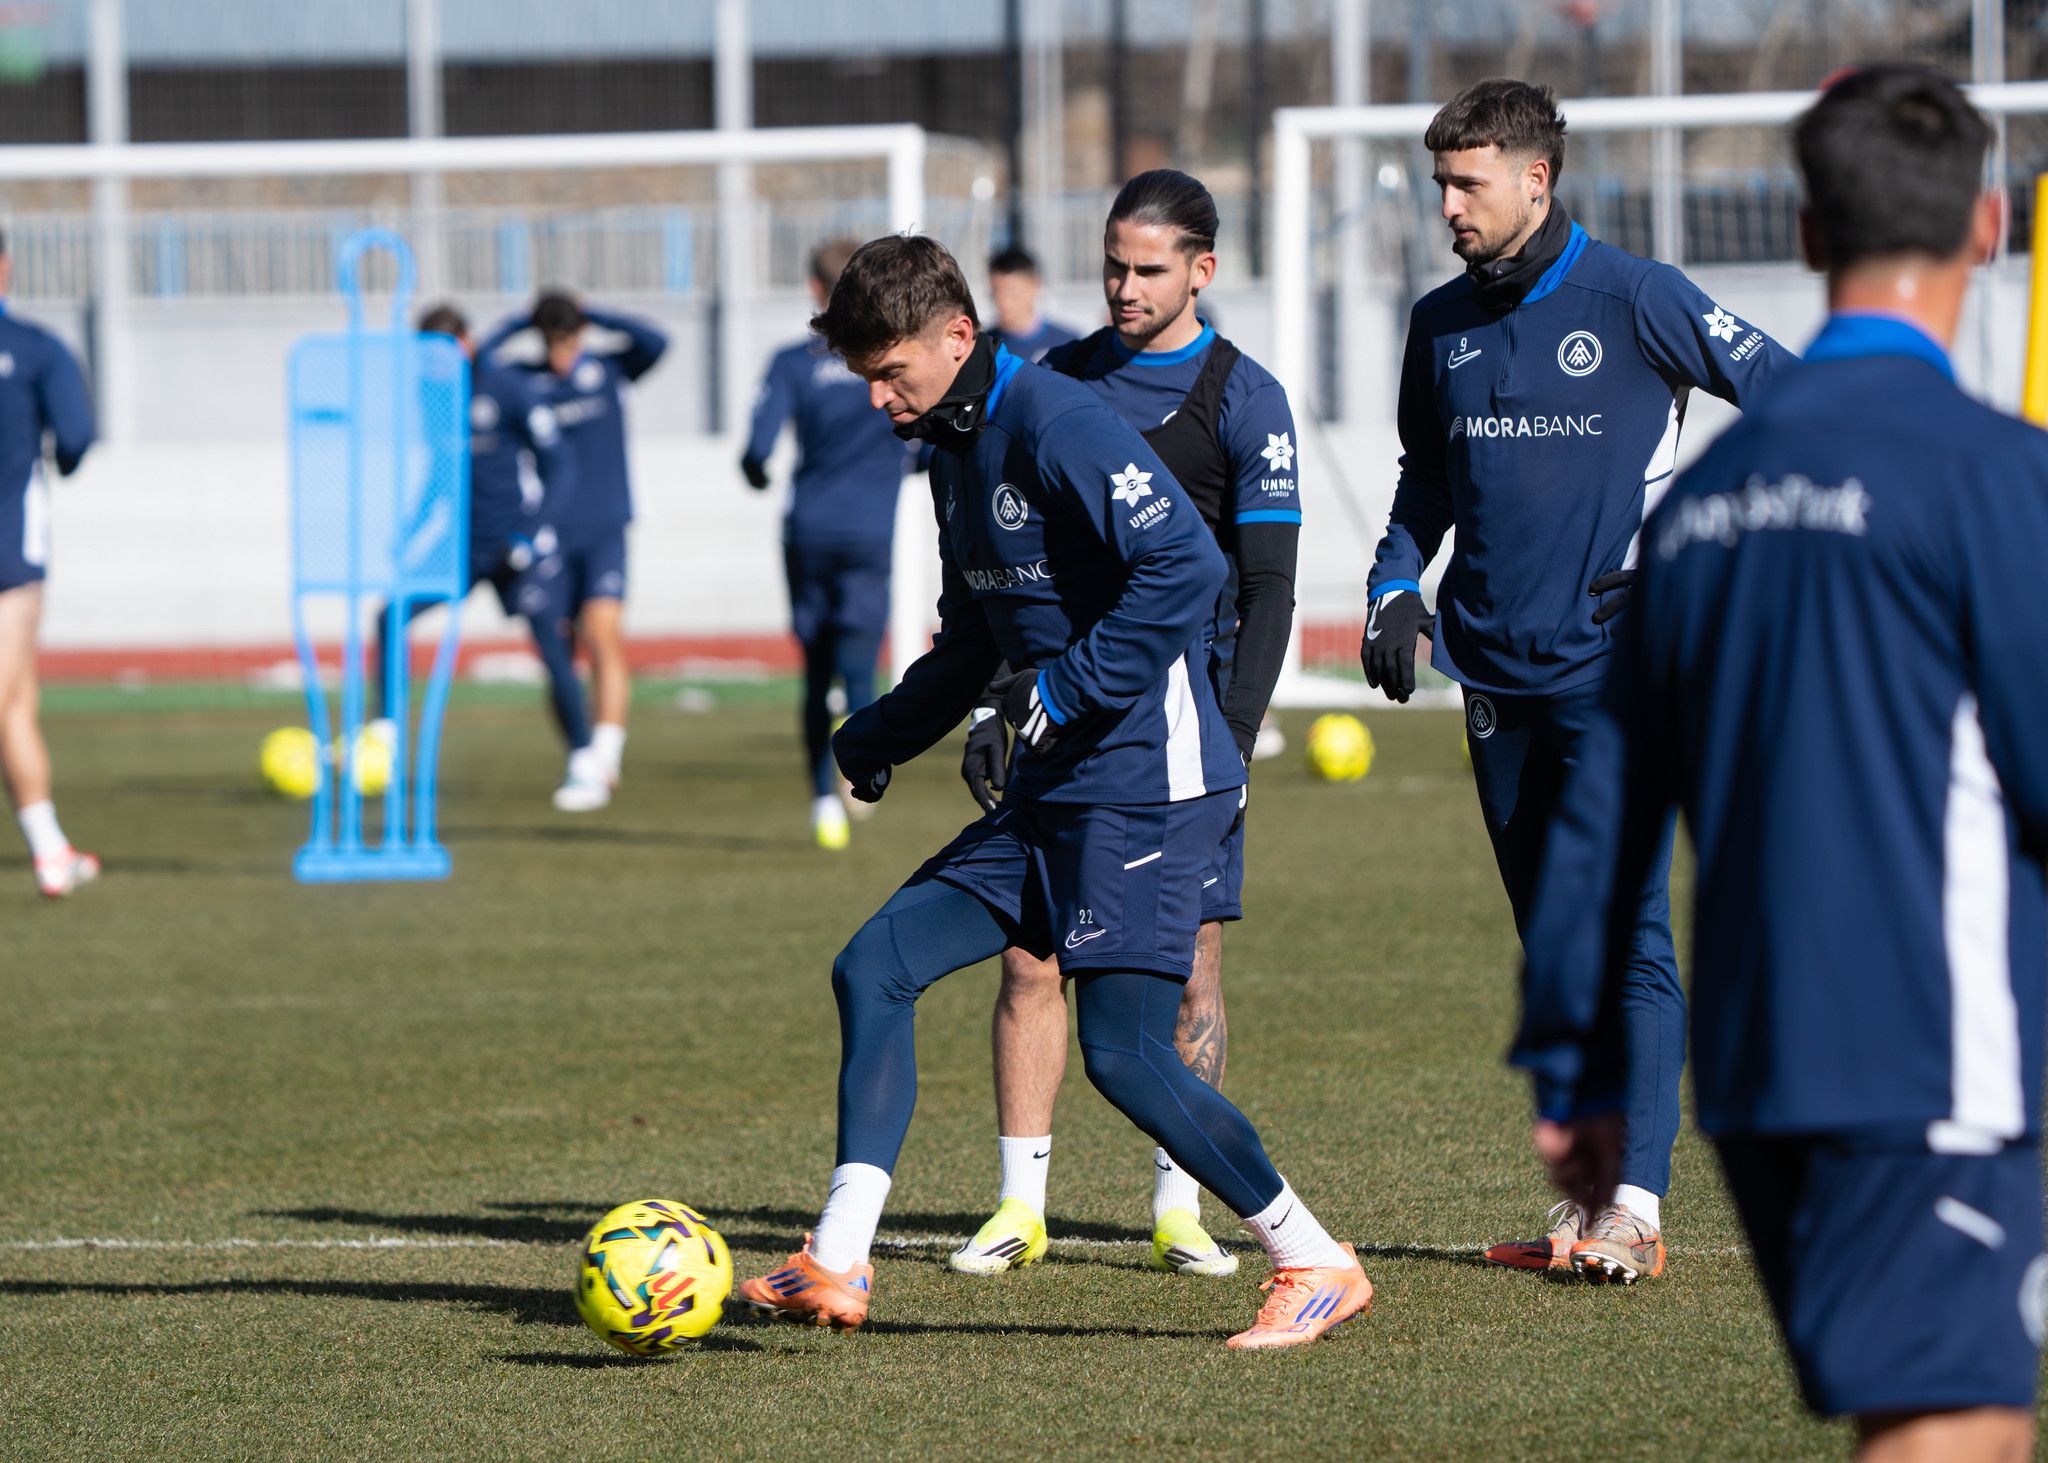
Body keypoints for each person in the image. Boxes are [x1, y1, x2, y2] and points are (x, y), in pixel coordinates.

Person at [1514, 65, 2045, 1461]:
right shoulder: (1993, 475)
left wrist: (1573, 1073)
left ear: (1807, 237)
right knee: (1946, 1416)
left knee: (1964, 1406)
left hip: (1761, 1070)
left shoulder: (1701, 509)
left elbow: (1603, 815)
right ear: (1987, 226)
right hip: (1933, 1051)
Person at [731, 234, 1369, 1350]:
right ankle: (834, 1258)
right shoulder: (949, 454)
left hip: (1144, 783)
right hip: (1052, 787)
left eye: (895, 374)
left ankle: (1311, 1257)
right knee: (873, 963)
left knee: (1122, 1051)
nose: (880, 401)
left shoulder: (1058, 420)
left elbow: (1190, 568)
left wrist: (1062, 691)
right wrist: (876, 732)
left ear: (958, 335)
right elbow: (974, 634)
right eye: (866, 380)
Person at [1359, 77, 1795, 1282]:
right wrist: (1393, 584)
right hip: (1489, 678)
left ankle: (1635, 1212)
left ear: (1534, 180)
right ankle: (1597, 1196)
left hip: (1615, 675)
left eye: (1465, 182)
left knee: (1626, 931)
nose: (1444, 203)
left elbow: (1801, 404)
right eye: (1439, 181)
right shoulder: (1437, 321)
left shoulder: (1637, 296)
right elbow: (1421, 482)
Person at [949, 170, 1301, 1280]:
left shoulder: (1243, 396)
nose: (1123, 286)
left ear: (1201, 269)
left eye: (1148, 268)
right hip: (1061, 716)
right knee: (1025, 954)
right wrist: (986, 701)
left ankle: (1179, 1201)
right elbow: (1010, 579)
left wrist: (1235, 740)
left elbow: (1268, 587)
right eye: (1111, 264)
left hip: (1181, 736)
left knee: (1189, 965)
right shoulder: (1058, 382)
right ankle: (1019, 1200)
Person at [372, 304, 597, 809]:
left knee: (552, 644)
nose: (435, 365)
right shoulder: (432, 396)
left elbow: (559, 465)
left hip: (514, 545)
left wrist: (533, 534)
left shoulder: (508, 388)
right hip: (460, 546)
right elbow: (439, 470)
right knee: (390, 617)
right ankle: (382, 741)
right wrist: (411, 529)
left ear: (467, 344)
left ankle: (584, 759)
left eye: (443, 353)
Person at [742, 241, 911, 850]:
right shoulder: (888, 359)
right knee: (861, 670)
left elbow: (757, 452)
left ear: (816, 292)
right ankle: (859, 782)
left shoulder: (791, 362)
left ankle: (821, 798)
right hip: (869, 531)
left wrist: (756, 470)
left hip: (808, 531)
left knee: (815, 672)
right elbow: (923, 437)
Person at [479, 291, 667, 798]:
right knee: (556, 651)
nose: (562, 356)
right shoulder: (523, 380)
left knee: (601, 632)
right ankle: (581, 757)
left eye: (569, 341)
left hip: (606, 526)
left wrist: (595, 312)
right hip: (550, 534)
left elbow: (657, 340)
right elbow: (481, 360)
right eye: (552, 343)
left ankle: (606, 751)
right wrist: (518, 321)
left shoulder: (609, 369)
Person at [0, 231, 95, 897]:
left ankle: (50, 850)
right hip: (11, 544)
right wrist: (57, 460)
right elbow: (78, 434)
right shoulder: (35, 348)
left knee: (16, 704)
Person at [986, 247, 1078, 364]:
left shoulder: (1067, 343)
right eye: (996, 291)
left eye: (1011, 291)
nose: (1002, 300)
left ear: (1035, 286)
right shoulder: (984, 346)